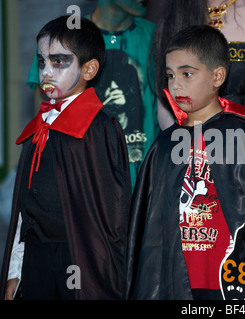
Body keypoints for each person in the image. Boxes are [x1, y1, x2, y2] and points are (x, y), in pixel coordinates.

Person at [126, 25, 245, 300]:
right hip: (175, 282)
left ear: (217, 76)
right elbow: (150, 234)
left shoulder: (243, 136)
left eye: (187, 74)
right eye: (169, 76)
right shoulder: (164, 144)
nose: (175, 85)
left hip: (230, 282)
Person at [0, 16, 131, 300]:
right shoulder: (42, 122)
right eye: (42, 61)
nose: (46, 72)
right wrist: (15, 269)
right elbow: (24, 208)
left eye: (59, 62)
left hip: (79, 261)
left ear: (89, 69)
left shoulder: (98, 127)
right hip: (36, 260)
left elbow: (111, 218)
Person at [27, 0, 159, 188]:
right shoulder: (66, 38)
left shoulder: (158, 37)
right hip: (82, 184)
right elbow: (43, 110)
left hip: (145, 184)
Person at [154, 0, 245, 130]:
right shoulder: (176, 17)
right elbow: (163, 101)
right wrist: (183, 139)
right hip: (187, 145)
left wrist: (225, 135)